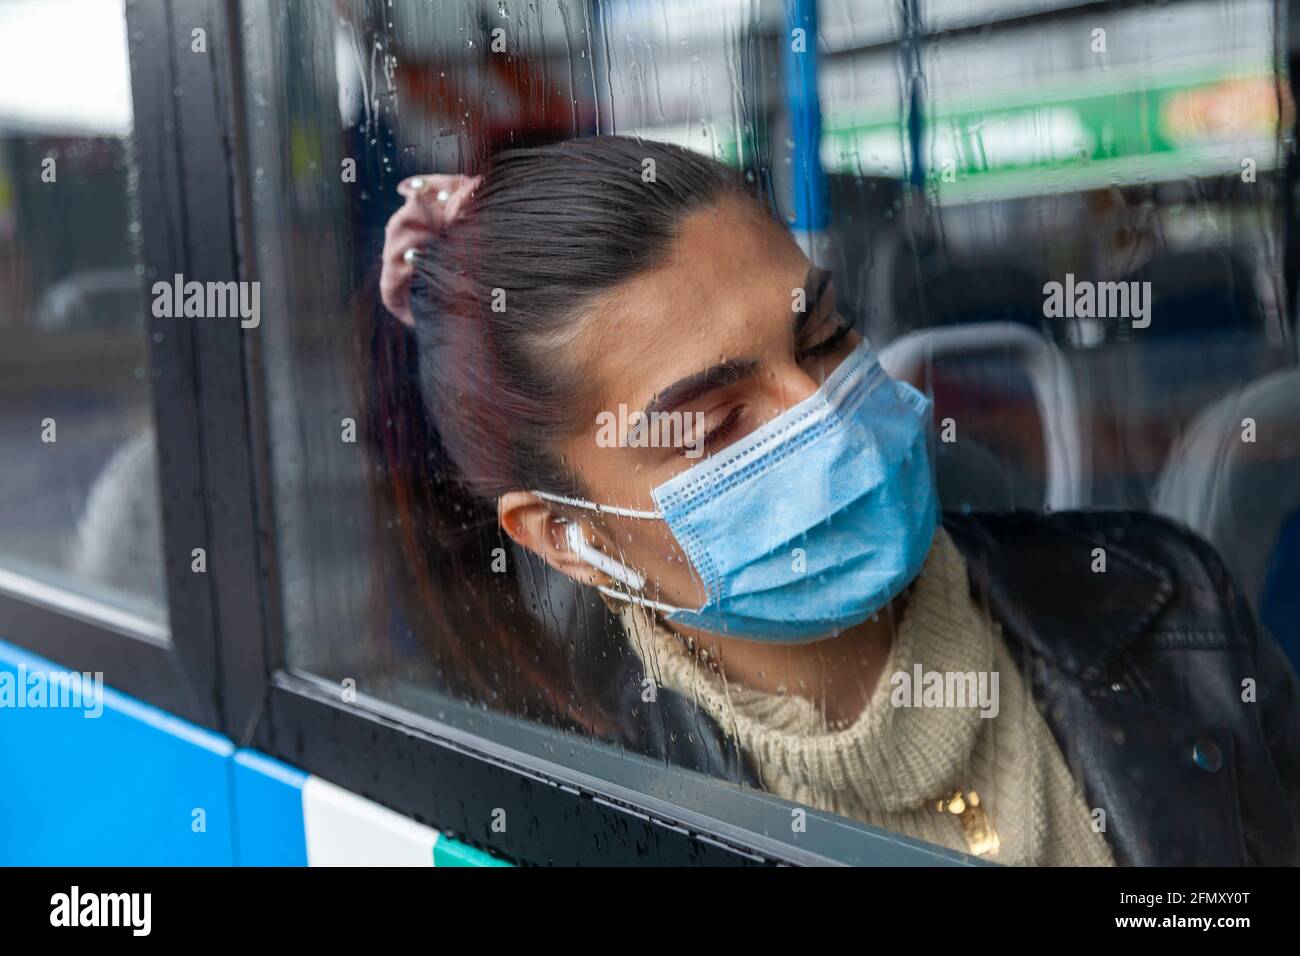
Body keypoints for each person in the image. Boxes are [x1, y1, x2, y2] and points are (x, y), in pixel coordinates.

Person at [366, 136, 1300, 866]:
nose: (828, 422)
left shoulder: (1172, 604)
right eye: (714, 424)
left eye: (823, 338)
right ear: (563, 535)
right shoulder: (567, 811)